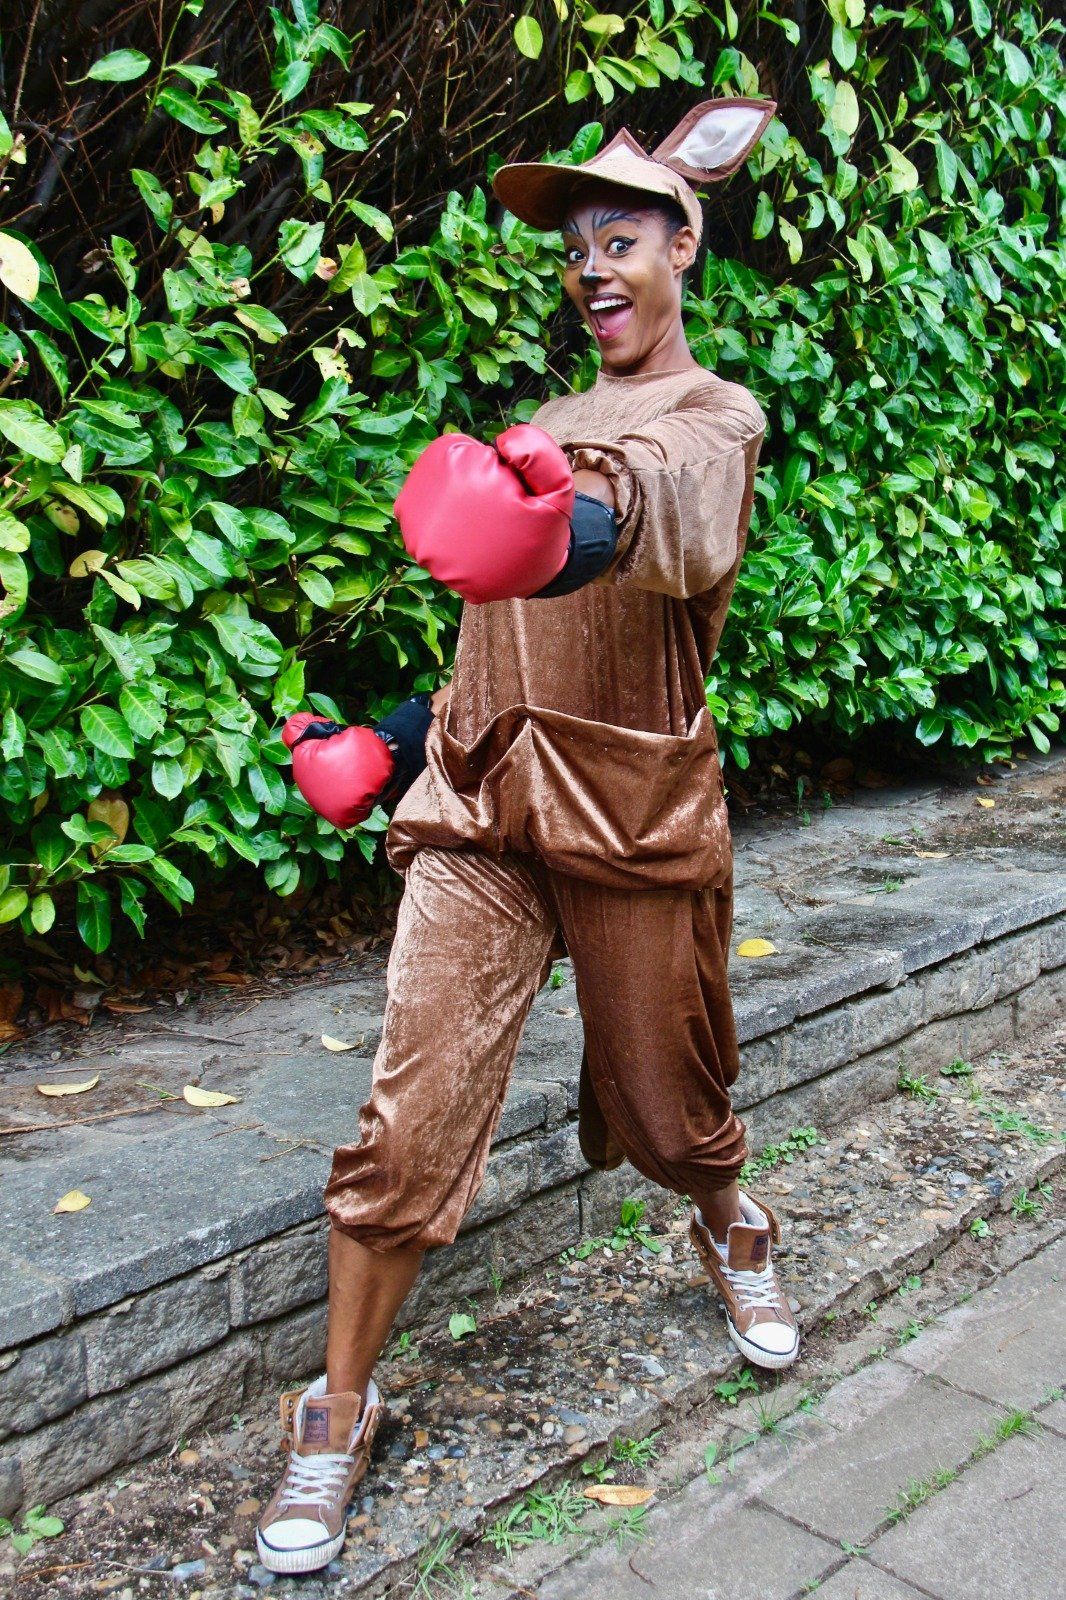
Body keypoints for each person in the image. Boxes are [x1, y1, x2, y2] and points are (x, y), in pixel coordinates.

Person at [256, 95, 798, 1578]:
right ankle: (338, 1409)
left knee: (667, 1110)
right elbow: (496, 649)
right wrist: (394, 746)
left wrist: (565, 529)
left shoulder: (714, 417)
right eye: (575, 251)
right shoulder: (540, 426)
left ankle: (729, 1222)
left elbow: (654, 519)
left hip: (629, 822)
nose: (591, 268)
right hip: (485, 819)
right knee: (405, 1116)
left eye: (619, 237)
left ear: (684, 239)